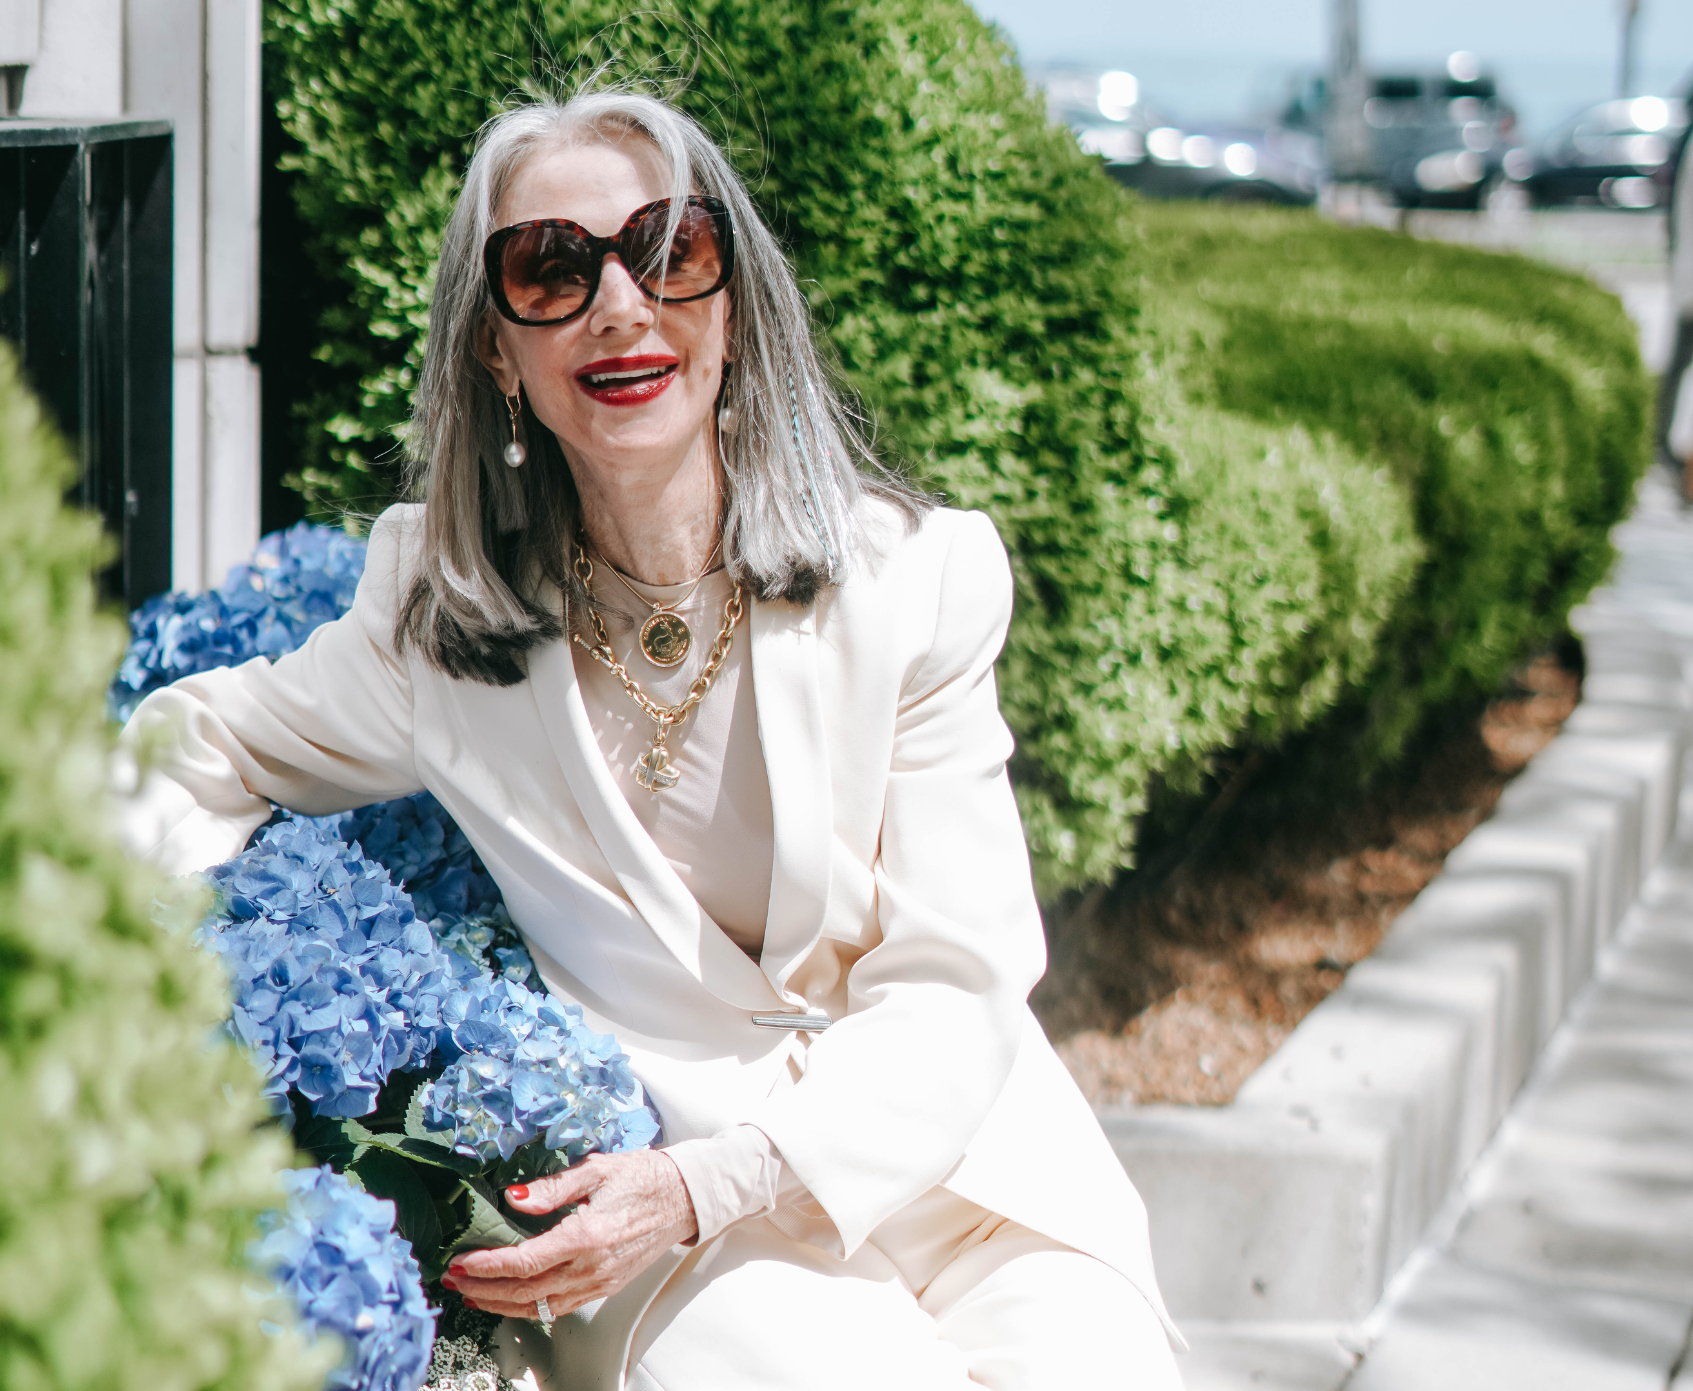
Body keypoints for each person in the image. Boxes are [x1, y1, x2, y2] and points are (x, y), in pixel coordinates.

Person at [120, 87, 1183, 1391]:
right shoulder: (435, 619)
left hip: (962, 1173)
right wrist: (141, 940)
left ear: (730, 311)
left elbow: (960, 983)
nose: (619, 305)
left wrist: (713, 1179)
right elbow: (202, 743)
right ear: (497, 352)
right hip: (659, 1236)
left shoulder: (912, 581)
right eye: (550, 268)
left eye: (668, 250)